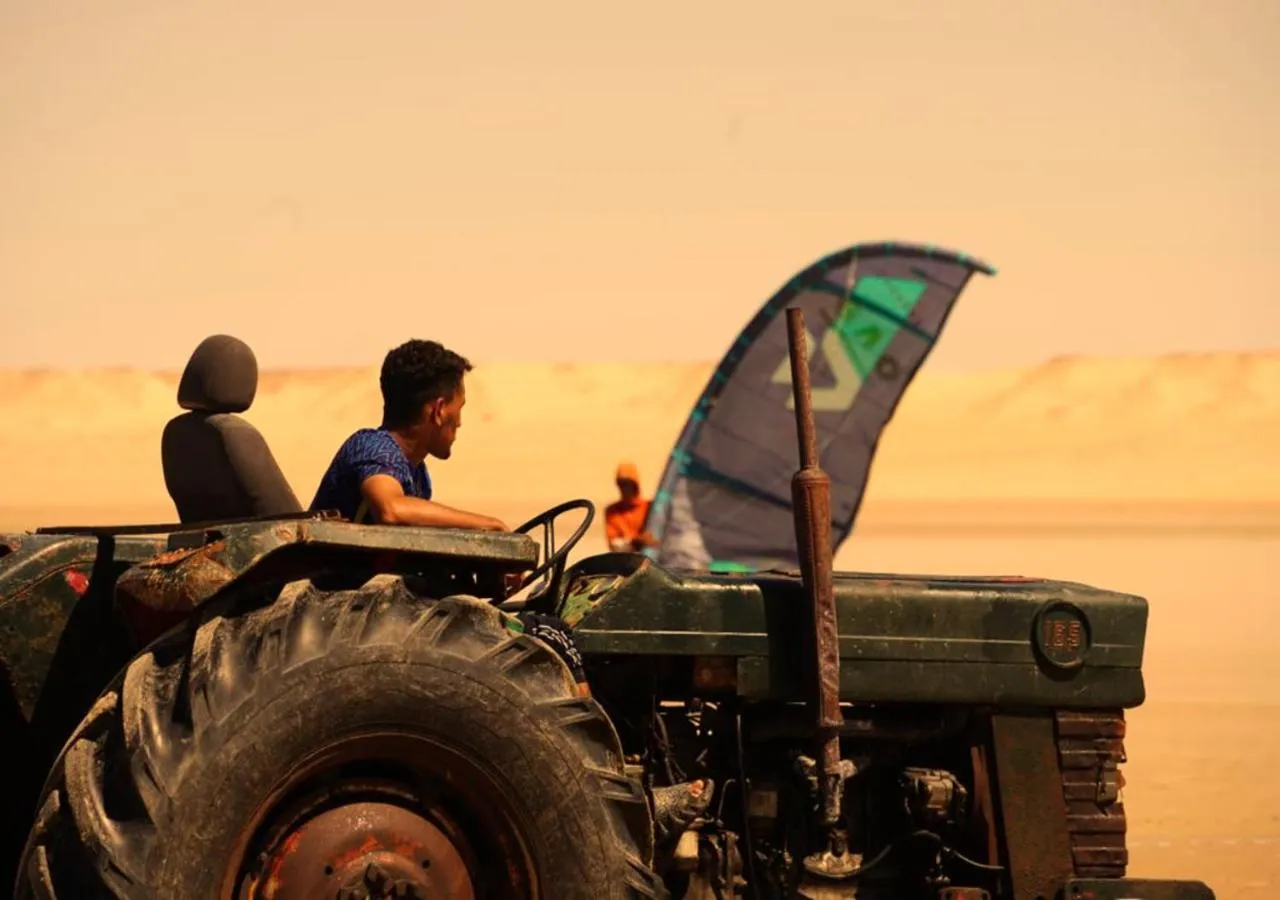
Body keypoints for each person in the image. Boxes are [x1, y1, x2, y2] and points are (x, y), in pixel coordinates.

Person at [310, 339, 507, 531]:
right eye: (459, 408)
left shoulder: (416, 473)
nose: (460, 422)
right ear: (438, 411)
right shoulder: (373, 447)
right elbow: (391, 510)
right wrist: (489, 524)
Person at [604, 462, 658, 552]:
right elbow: (615, 545)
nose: (624, 488)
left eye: (627, 484)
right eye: (621, 484)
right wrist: (636, 541)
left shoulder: (650, 508)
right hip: (626, 562)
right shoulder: (612, 511)